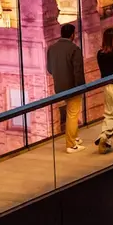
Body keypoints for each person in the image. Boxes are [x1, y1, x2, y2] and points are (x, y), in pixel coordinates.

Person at [45, 23, 85, 153]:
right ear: (72, 35)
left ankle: (74, 137)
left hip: (59, 87)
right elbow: (78, 71)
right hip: (73, 87)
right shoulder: (74, 49)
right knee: (73, 114)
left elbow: (50, 69)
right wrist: (82, 87)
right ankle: (71, 144)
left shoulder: (52, 48)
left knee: (70, 112)